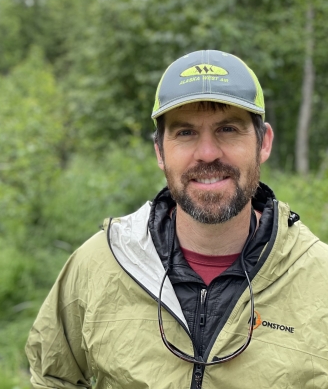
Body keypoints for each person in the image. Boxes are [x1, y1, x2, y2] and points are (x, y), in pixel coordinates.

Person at [25, 50, 328, 388]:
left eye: (228, 129)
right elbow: (52, 377)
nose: (208, 153)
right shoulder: (98, 264)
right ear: (159, 151)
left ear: (263, 143)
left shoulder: (320, 277)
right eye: (185, 133)